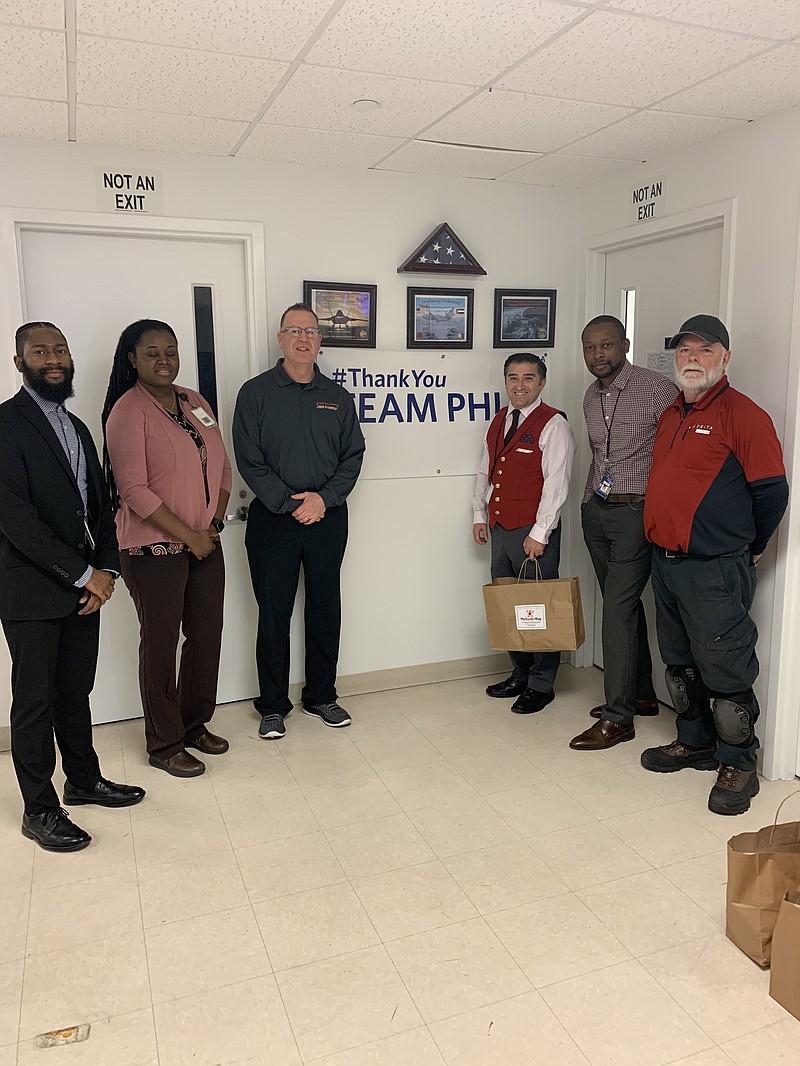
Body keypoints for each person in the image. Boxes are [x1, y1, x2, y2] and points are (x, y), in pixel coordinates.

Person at [0, 322, 145, 852]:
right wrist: (84, 574)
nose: (53, 358)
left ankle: (82, 781)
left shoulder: (78, 426)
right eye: (40, 351)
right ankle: (39, 809)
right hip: (31, 593)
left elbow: (100, 507)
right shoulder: (6, 425)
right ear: (20, 363)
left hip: (86, 590)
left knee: (74, 694)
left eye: (59, 349)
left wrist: (107, 571)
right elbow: (16, 519)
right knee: (35, 703)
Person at [640, 315, 788, 815]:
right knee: (680, 664)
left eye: (705, 350)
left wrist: (753, 543)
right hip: (667, 562)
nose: (694, 359)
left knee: (725, 668)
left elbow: (771, 491)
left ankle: (738, 764)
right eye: (685, 350)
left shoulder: (743, 414)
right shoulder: (671, 414)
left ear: (725, 357)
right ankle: (695, 741)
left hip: (714, 569)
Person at [102, 319, 231, 778]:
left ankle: (194, 724)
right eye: (152, 352)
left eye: (171, 351)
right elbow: (133, 490)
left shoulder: (194, 401)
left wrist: (213, 521)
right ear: (132, 359)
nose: (164, 360)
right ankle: (164, 742)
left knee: (206, 634)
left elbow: (221, 465)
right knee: (160, 644)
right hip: (152, 549)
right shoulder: (127, 411)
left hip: (205, 542)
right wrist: (189, 534)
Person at [232, 303, 365, 739]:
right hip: (274, 520)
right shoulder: (254, 394)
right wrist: (292, 504)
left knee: (326, 608)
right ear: (280, 339)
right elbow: (249, 461)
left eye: (311, 331)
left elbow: (353, 456)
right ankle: (273, 705)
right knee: (274, 614)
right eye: (294, 331)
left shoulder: (337, 396)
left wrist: (323, 499)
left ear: (320, 340)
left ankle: (321, 697)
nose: (303, 338)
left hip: (327, 517)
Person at [570, 316, 678, 752]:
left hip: (637, 512)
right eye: (590, 347)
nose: (598, 355)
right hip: (597, 511)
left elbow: (677, 451)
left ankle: (618, 719)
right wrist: (586, 504)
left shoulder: (656, 388)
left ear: (625, 344)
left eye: (606, 345)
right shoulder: (589, 397)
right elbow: (601, 455)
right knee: (624, 607)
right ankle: (641, 695)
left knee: (615, 612)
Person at [474, 353, 576, 713]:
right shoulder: (500, 419)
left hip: (533, 533)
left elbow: (557, 484)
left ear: (542, 383)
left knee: (538, 609)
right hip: (501, 527)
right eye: (513, 378)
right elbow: (486, 469)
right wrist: (478, 513)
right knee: (508, 605)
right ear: (505, 381)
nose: (520, 385)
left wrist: (541, 532)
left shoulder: (554, 425)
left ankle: (542, 684)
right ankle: (520, 672)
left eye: (529, 378)